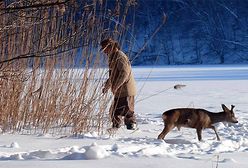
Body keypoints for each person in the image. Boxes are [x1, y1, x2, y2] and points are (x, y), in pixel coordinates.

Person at [100, 38, 137, 130]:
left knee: (125, 110)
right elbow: (113, 75)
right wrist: (107, 86)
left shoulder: (120, 56)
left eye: (105, 49)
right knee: (115, 111)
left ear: (111, 47)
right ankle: (116, 127)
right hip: (120, 90)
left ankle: (130, 127)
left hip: (126, 90)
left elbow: (124, 73)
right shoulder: (113, 57)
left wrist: (116, 86)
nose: (104, 52)